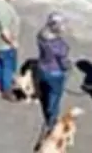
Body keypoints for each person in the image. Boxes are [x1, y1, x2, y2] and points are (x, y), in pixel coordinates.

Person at [36, 11, 72, 139]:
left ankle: (44, 102)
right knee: (55, 96)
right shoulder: (59, 45)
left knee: (46, 89)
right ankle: (52, 121)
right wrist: (68, 66)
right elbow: (63, 62)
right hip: (55, 73)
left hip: (42, 68)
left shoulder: (41, 35)